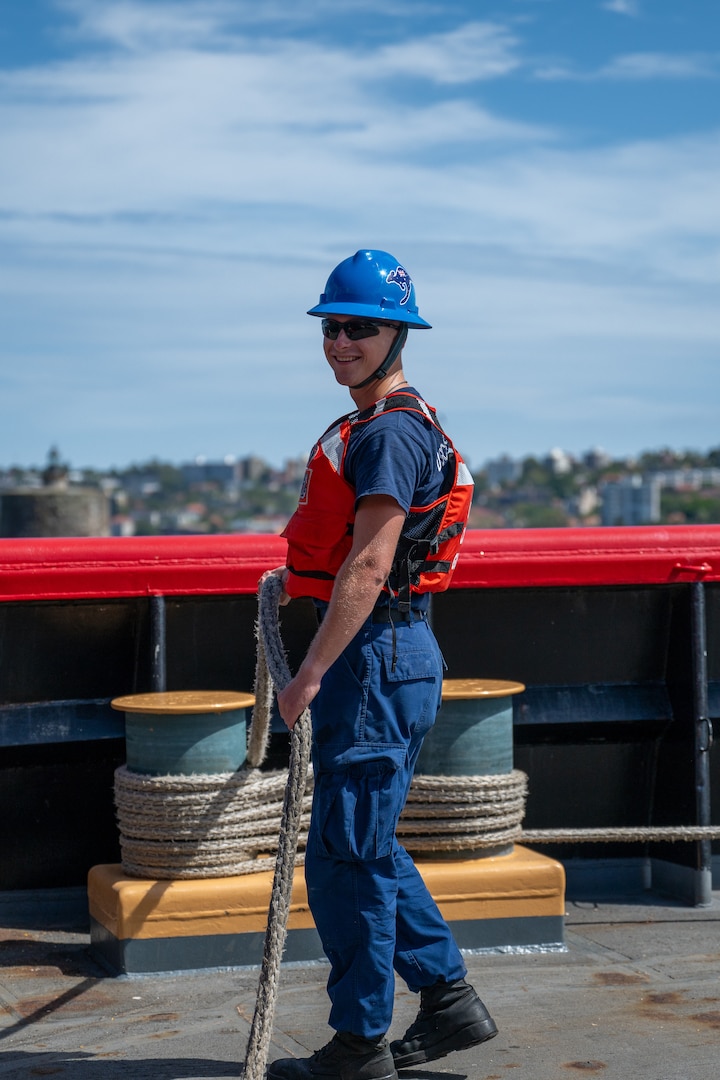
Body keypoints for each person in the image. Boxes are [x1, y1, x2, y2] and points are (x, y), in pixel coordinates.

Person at [263, 250, 497, 1080]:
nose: (341, 343)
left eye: (359, 328)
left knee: (344, 856)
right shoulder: (387, 423)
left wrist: (310, 674)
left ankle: (360, 1048)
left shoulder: (392, 432)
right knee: (363, 840)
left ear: (398, 333)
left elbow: (367, 566)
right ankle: (449, 1000)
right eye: (332, 328)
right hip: (388, 651)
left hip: (373, 655)